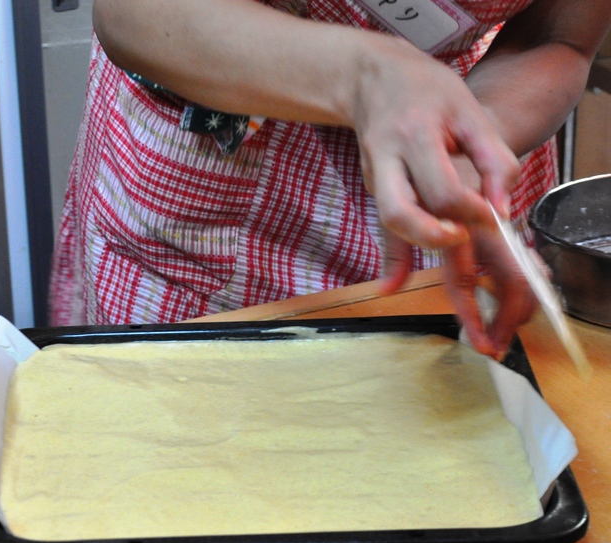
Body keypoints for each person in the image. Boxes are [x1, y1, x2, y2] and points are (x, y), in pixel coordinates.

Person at [49, 0, 611, 359]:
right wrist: (364, 78)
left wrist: (463, 145)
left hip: (449, 124)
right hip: (213, 168)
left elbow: (556, 37)